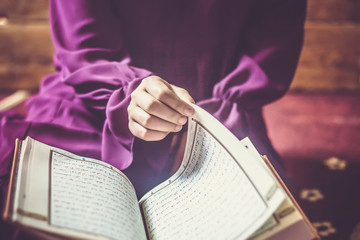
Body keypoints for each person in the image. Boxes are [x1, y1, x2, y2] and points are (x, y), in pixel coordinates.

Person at [0, 0, 306, 238]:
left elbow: (270, 49)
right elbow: (86, 51)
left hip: (218, 114)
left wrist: (204, 123)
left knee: (261, 221)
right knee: (40, 208)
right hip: (96, 104)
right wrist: (129, 96)